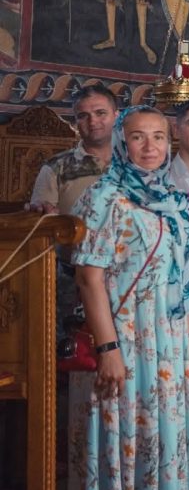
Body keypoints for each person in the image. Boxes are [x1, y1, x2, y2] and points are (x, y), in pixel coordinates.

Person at [68, 105, 189, 490]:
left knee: (153, 437)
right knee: (117, 433)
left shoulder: (172, 198)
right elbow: (89, 278)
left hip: (166, 338)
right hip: (122, 334)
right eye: (138, 137)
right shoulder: (103, 197)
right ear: (121, 143)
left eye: (158, 137)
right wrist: (107, 347)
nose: (150, 147)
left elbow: (180, 278)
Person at [28, 84, 117, 336]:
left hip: (128, 275)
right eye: (83, 116)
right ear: (75, 122)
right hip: (72, 277)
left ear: (116, 115)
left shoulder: (136, 164)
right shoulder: (56, 167)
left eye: (100, 113)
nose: (93, 121)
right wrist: (43, 215)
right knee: (72, 348)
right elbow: (41, 222)